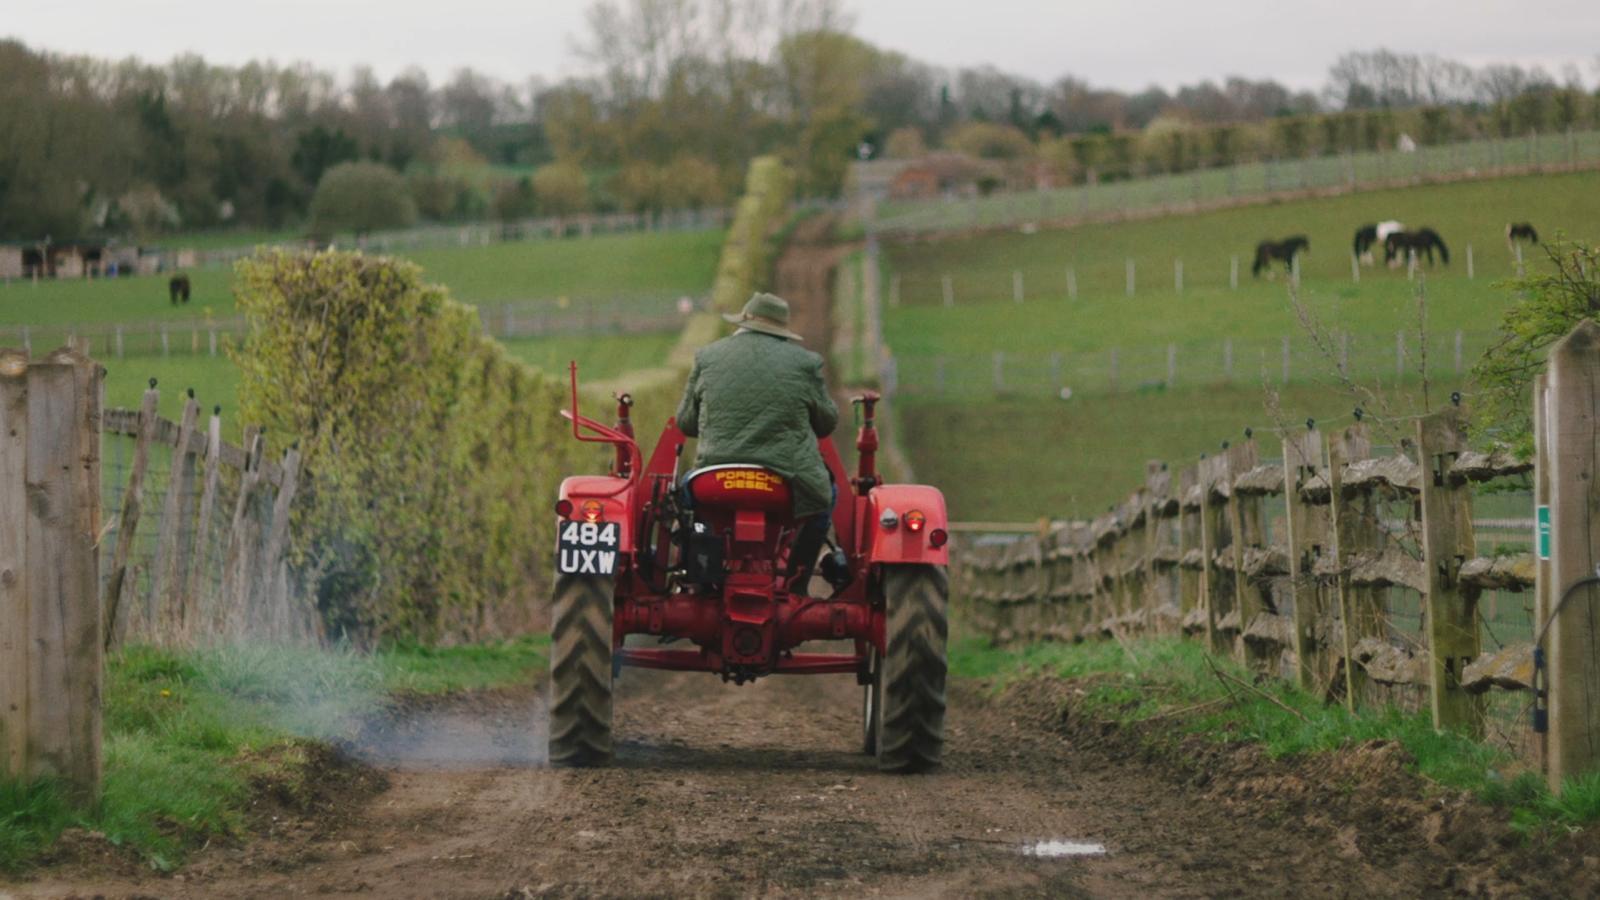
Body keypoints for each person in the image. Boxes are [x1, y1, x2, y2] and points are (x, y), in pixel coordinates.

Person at [675, 292, 839, 588]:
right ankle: (796, 583)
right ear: (781, 329)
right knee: (826, 498)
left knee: (682, 501)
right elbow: (826, 423)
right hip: (782, 483)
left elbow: (686, 422)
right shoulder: (806, 363)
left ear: (743, 322)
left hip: (714, 480)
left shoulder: (707, 357)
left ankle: (698, 576)